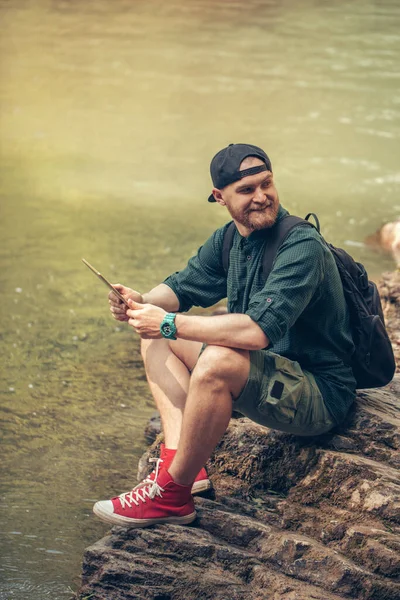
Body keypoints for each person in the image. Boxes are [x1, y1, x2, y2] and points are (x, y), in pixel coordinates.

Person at [93, 143, 356, 528]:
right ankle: (182, 464)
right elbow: (182, 288)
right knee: (154, 335)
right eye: (246, 190)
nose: (261, 197)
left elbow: (255, 331)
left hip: (319, 395)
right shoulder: (229, 239)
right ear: (220, 197)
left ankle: (170, 496)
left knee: (212, 357)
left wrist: (166, 321)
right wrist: (140, 301)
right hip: (269, 375)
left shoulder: (302, 246)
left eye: (266, 184)